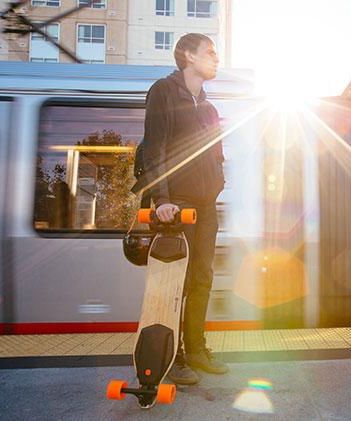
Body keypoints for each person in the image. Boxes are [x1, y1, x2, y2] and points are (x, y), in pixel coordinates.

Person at [141, 33, 228, 385]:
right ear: (188, 55)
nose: (216, 58)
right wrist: (161, 199)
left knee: (202, 278)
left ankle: (195, 349)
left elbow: (215, 155)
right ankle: (171, 357)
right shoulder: (163, 91)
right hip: (178, 204)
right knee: (174, 284)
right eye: (210, 52)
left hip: (207, 205)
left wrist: (218, 185)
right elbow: (154, 148)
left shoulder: (208, 107)